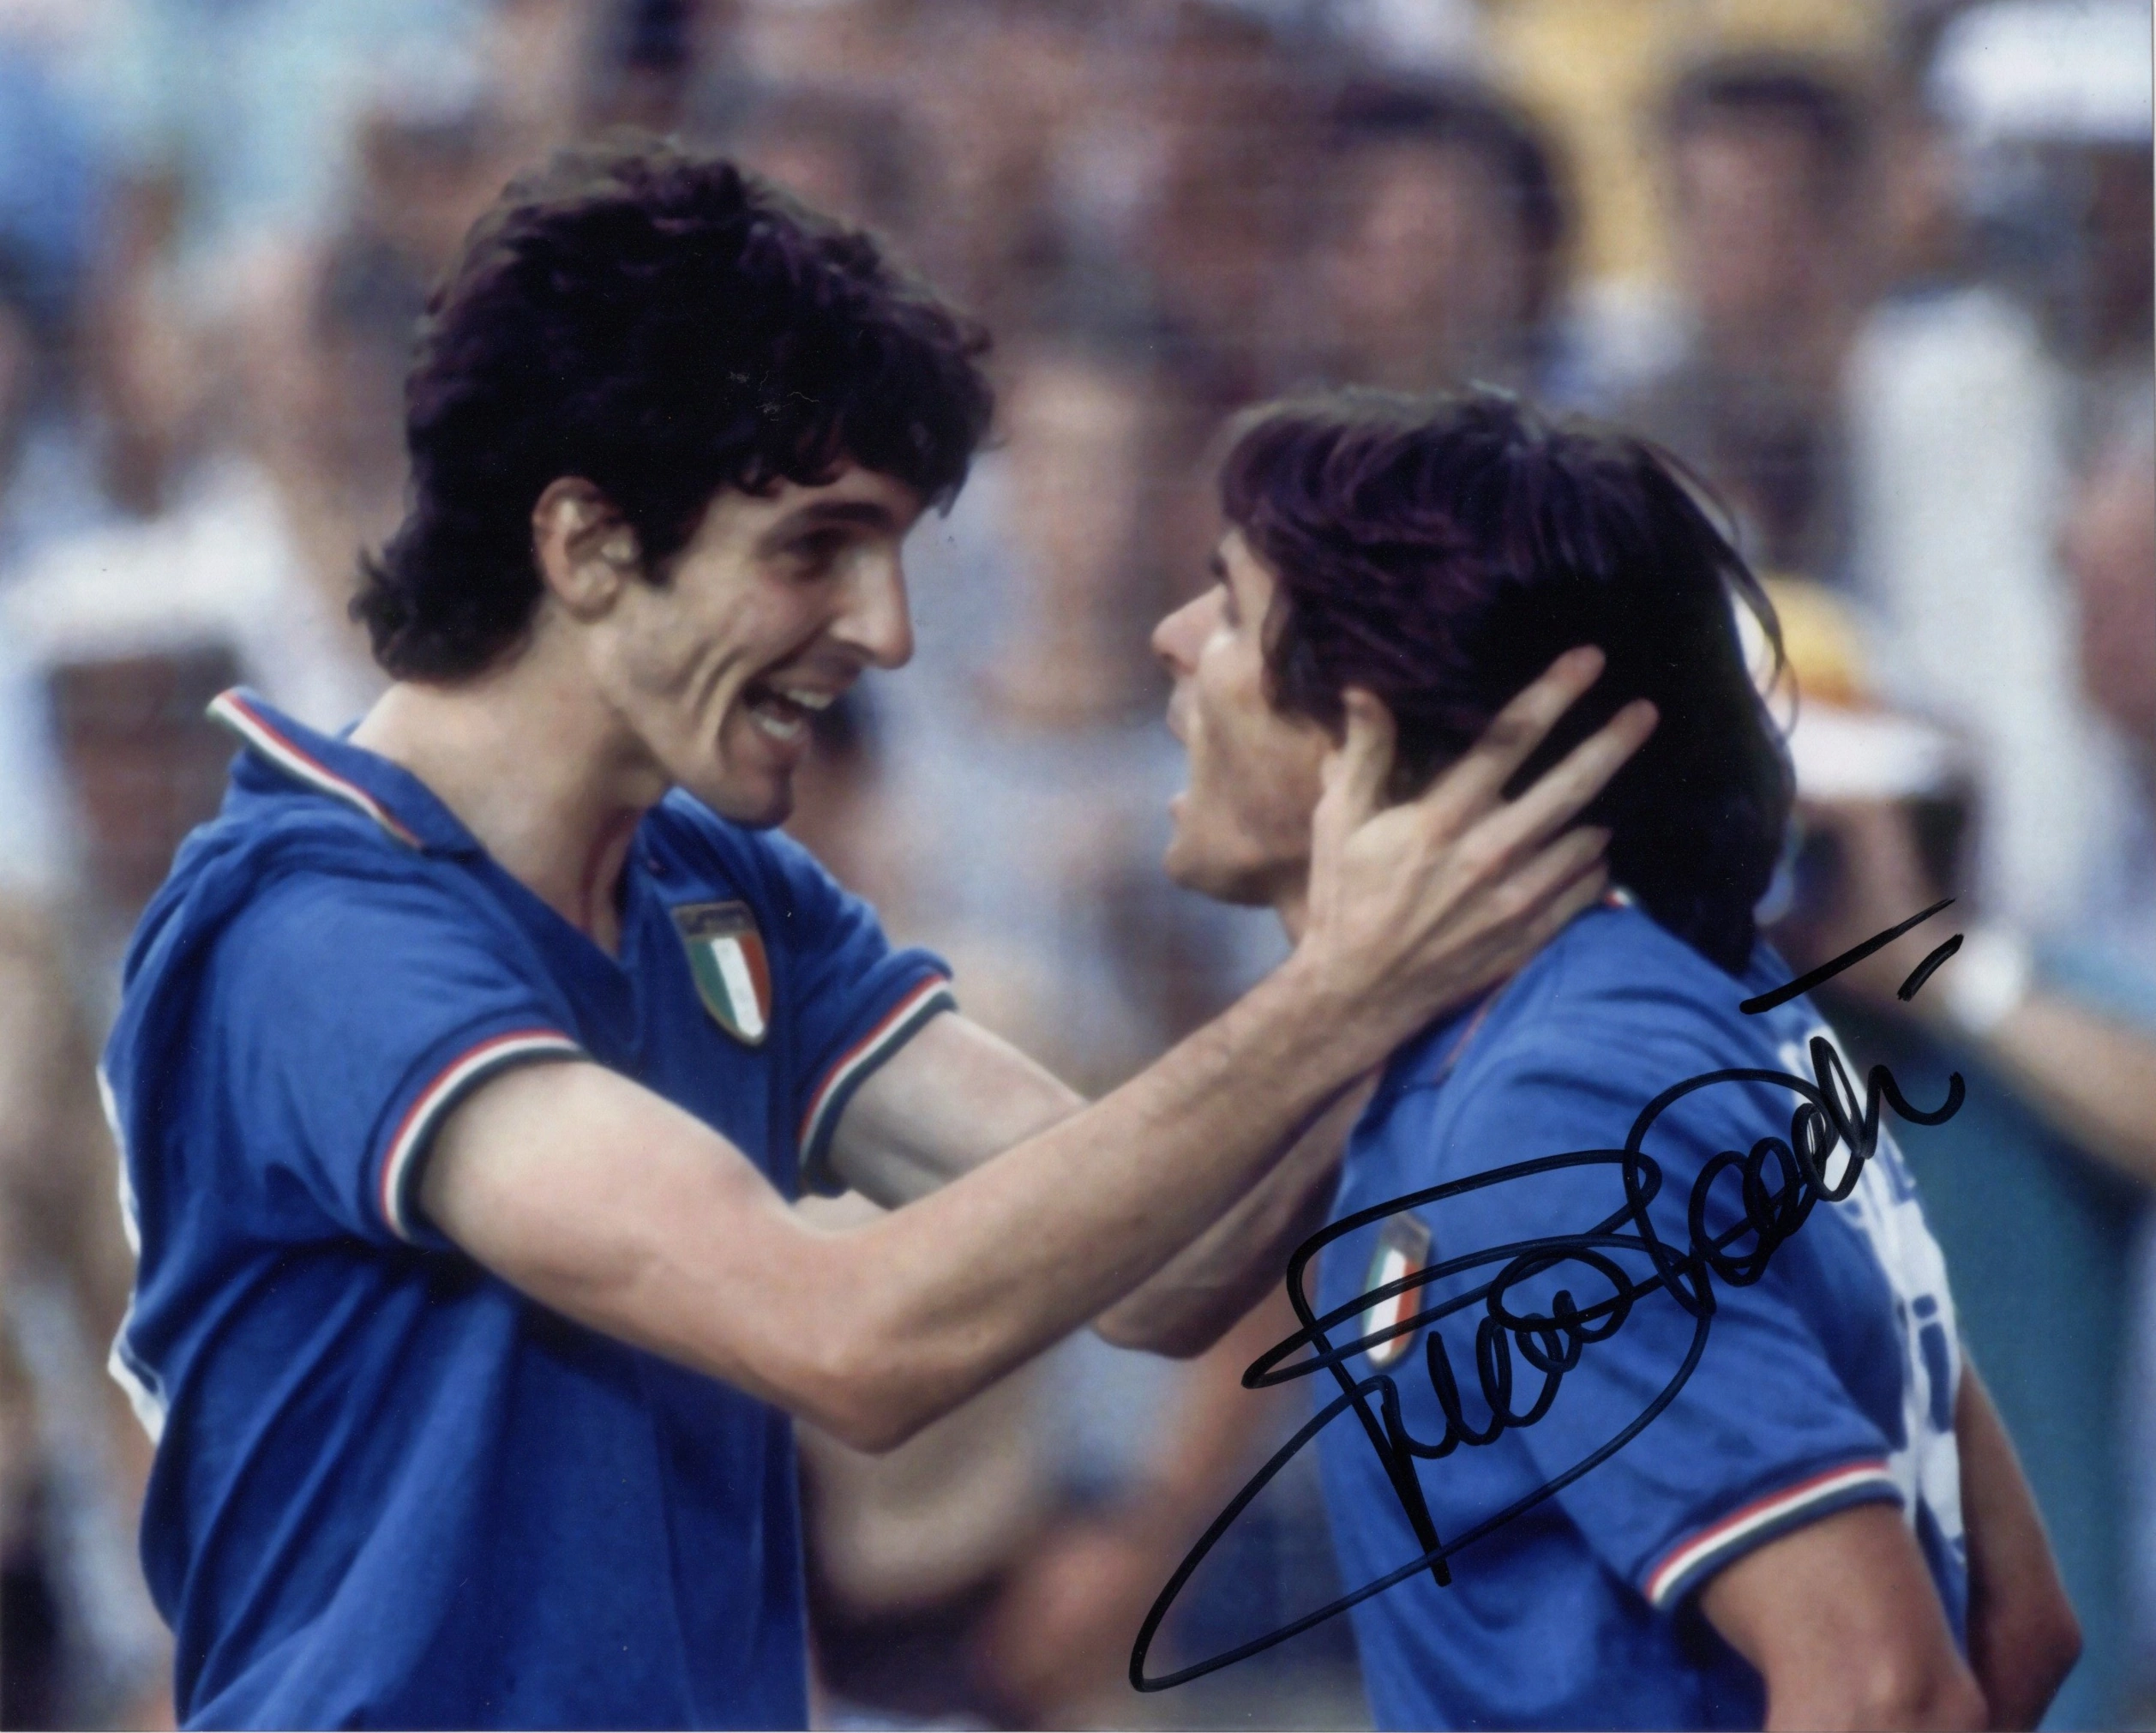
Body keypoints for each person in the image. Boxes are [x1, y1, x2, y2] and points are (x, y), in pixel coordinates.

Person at [100, 143, 1649, 1729]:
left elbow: (1167, 1263)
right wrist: (1345, 992)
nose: (887, 632)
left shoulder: (721, 890)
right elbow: (843, 1335)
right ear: (585, 544)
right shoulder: (314, 935)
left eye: (895, 550)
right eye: (813, 549)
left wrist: (1425, 938)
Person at [1128, 386, 2081, 1730]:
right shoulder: (1704, 1011)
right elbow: (2017, 1628)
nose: (1172, 639)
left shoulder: (1558, 1105)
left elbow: (1885, 1689)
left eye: (1230, 609)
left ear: (1371, 710)